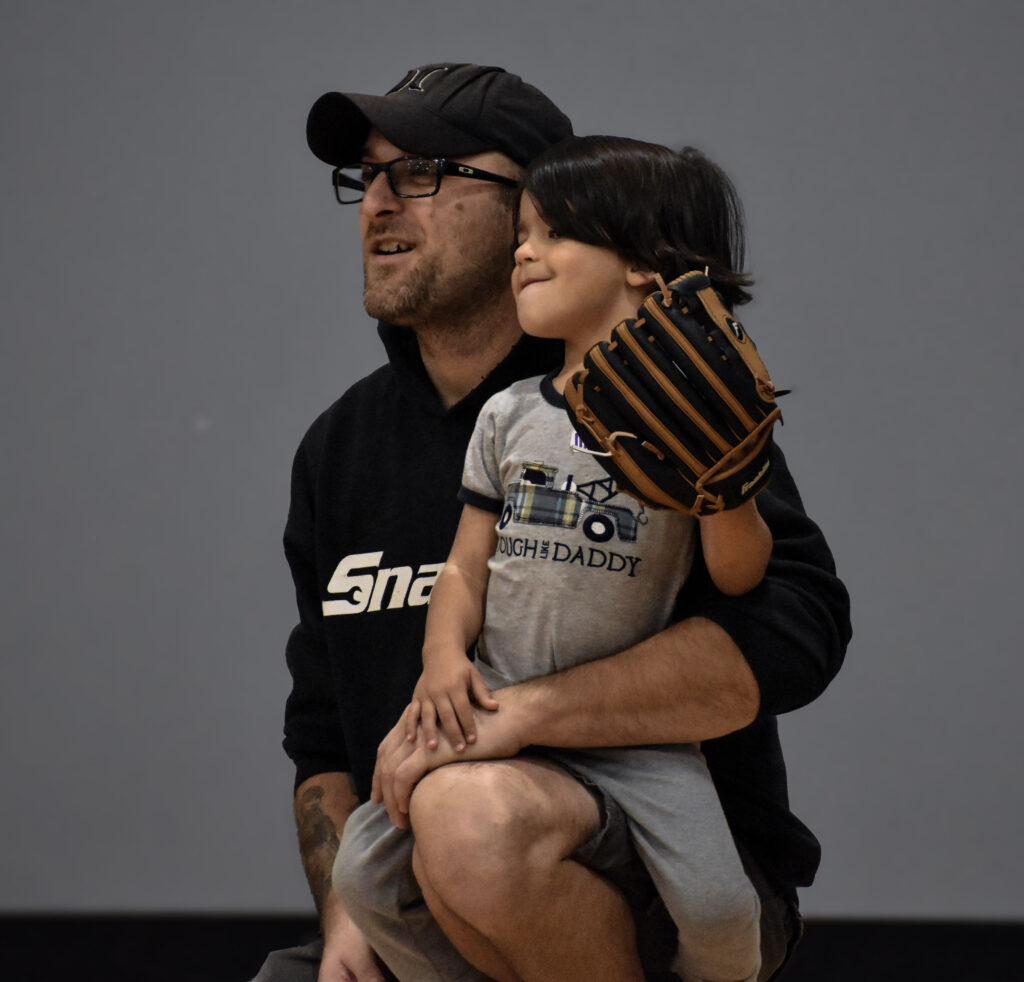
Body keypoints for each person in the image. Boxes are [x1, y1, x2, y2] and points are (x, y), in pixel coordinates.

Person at [254, 62, 850, 982]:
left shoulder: (652, 391)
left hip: (637, 872)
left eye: (422, 172)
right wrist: (344, 922)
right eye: (367, 177)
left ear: (533, 204)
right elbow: (323, 728)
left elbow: (792, 633)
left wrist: (520, 717)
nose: (377, 203)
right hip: (424, 891)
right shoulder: (340, 448)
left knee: (471, 822)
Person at [344, 135, 775, 982]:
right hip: (496, 703)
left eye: (551, 235)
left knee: (726, 915)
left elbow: (739, 580)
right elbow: (466, 565)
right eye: (522, 238)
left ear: (646, 268)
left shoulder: (693, 416)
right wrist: (440, 658)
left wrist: (730, 490)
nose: (524, 253)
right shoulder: (507, 414)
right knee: (363, 879)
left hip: (638, 744)